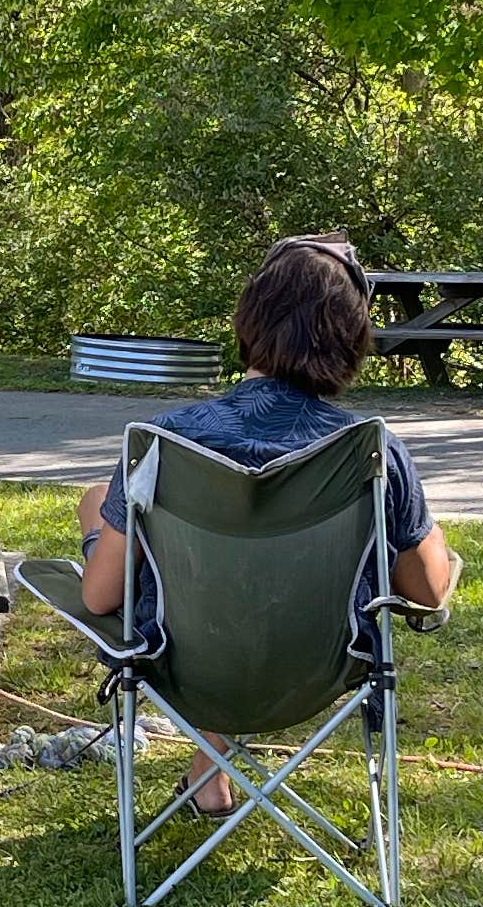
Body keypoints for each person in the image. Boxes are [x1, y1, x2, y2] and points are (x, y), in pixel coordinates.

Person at [75, 237, 456, 798]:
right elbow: (425, 595)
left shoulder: (164, 441)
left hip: (183, 665)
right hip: (320, 671)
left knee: (118, 520)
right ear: (352, 337)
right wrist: (433, 538)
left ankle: (210, 769)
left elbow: (101, 599)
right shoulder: (369, 449)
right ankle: (210, 775)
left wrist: (92, 536)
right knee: (260, 579)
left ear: (250, 319)